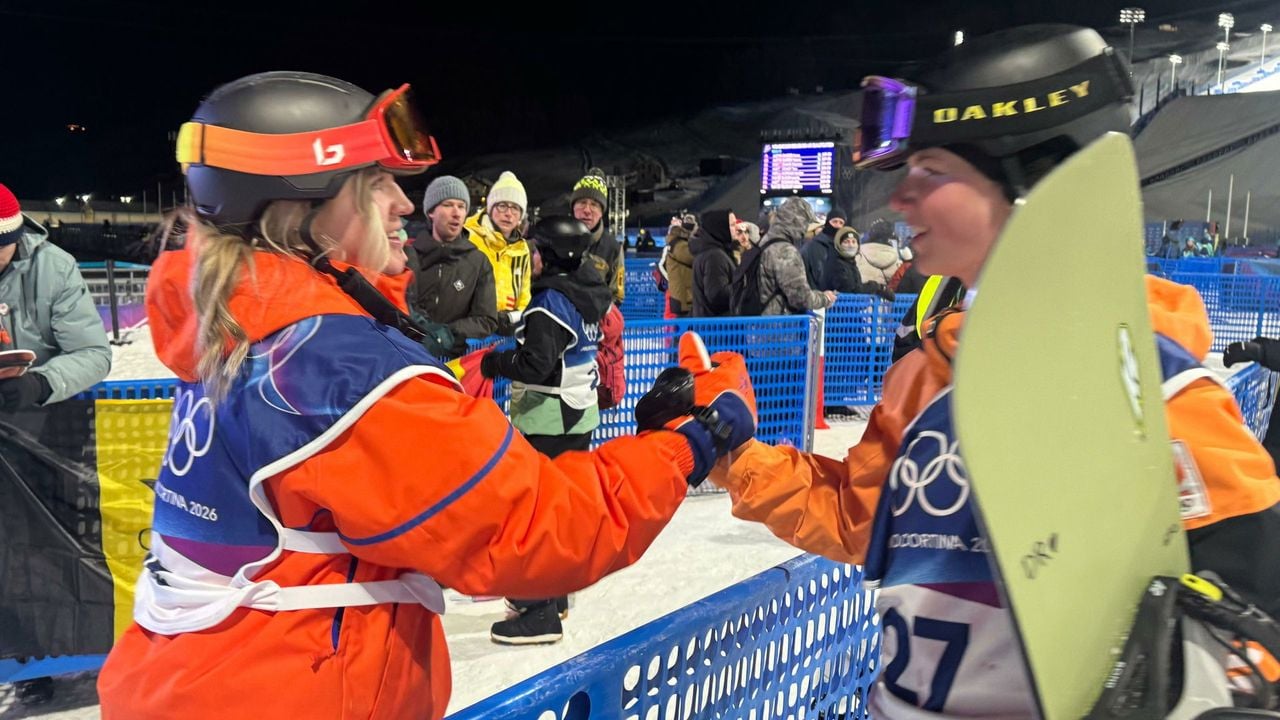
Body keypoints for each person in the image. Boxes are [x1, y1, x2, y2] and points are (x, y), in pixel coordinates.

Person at [94, 71, 756, 720]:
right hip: (292, 692)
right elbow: (541, 526)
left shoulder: (237, 326)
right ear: (306, 207)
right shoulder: (335, 371)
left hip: (193, 679)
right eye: (375, 183)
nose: (401, 204)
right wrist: (695, 437)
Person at [700, 26, 1280, 717]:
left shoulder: (1156, 391)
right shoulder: (925, 378)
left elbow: (1255, 622)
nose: (902, 201)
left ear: (1037, 184)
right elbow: (860, 520)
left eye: (934, 173)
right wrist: (732, 456)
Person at [0, 183, 112, 705]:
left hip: (46, 430)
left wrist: (39, 383)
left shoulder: (55, 267)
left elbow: (93, 353)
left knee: (45, 549)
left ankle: (46, 656)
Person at [478, 216, 612, 644]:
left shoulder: (551, 301)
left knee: (534, 512)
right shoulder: (586, 291)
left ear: (555, 254)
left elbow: (535, 363)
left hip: (548, 417)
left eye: (537, 250)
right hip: (578, 414)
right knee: (558, 507)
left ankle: (538, 611)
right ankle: (554, 595)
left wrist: (496, 363)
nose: (532, 257)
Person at [408, 175, 499, 358]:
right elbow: (401, 304)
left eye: (462, 206)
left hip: (453, 361)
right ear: (431, 212)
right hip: (409, 356)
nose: (456, 213)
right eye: (448, 205)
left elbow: (486, 319)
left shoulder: (478, 262)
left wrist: (447, 333)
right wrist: (425, 332)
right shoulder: (408, 256)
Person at [467, 170, 532, 334]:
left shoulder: (522, 248)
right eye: (502, 206)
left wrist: (516, 317)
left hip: (507, 330)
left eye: (515, 208)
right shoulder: (469, 237)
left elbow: (524, 294)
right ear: (490, 208)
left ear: (520, 216)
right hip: (472, 328)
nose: (508, 213)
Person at [757, 197, 836, 315]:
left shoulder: (765, 242)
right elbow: (801, 298)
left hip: (758, 323)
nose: (805, 230)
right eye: (806, 223)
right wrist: (825, 298)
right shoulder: (785, 251)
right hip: (777, 328)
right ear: (798, 222)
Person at [570, 170, 625, 305]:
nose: (587, 210)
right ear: (573, 208)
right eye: (582, 202)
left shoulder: (613, 249)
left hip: (595, 323)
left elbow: (617, 295)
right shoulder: (557, 239)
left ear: (601, 212)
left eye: (594, 204)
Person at [690, 209, 737, 317]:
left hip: (710, 325)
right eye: (732, 225)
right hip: (717, 327)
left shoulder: (710, 251)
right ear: (721, 228)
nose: (737, 229)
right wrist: (742, 286)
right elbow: (716, 295)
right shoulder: (715, 256)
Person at [662, 213, 696, 317]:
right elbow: (693, 258)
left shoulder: (679, 244)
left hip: (683, 297)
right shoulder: (678, 245)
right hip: (683, 299)